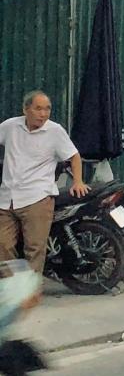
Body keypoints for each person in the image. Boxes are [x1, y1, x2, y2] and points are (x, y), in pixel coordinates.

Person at [0, 90, 85, 279]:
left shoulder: (55, 131)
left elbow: (74, 156)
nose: (43, 114)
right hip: (7, 198)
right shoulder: (10, 127)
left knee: (35, 249)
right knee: (3, 246)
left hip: (37, 198)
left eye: (47, 109)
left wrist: (78, 181)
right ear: (25, 109)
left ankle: (31, 290)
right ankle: (10, 287)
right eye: (38, 109)